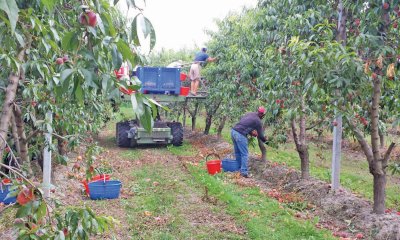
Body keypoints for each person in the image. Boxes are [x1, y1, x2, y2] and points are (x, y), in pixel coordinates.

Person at [231, 106, 268, 178]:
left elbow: (243, 123)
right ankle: (244, 172)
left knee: (238, 152)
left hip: (233, 131)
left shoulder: (250, 114)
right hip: (240, 135)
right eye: (263, 115)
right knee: (244, 154)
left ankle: (238, 169)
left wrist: (251, 132)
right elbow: (260, 135)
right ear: (263, 115)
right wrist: (266, 141)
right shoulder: (258, 121)